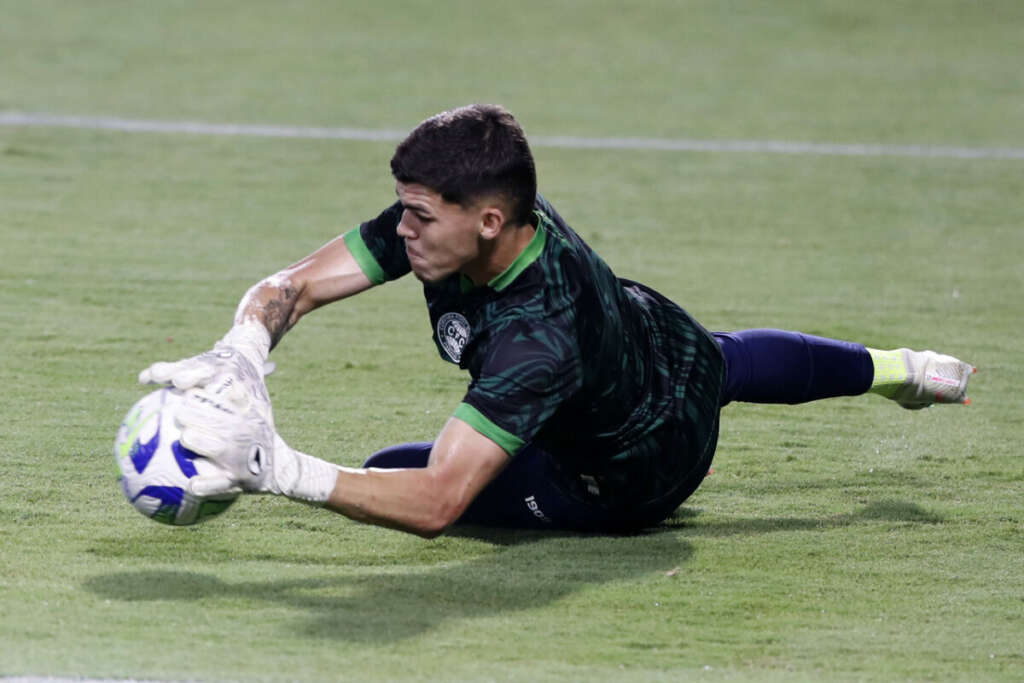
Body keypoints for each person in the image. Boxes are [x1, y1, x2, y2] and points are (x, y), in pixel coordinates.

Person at [140, 104, 976, 538]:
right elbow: (298, 284)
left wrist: (278, 468)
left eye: (422, 218)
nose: (402, 232)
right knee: (724, 361)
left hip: (633, 477)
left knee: (390, 470)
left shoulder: (535, 338)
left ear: (490, 221)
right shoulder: (483, 213)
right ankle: (908, 368)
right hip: (664, 342)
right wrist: (242, 347)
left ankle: (665, 482)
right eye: (405, 211)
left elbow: (434, 502)